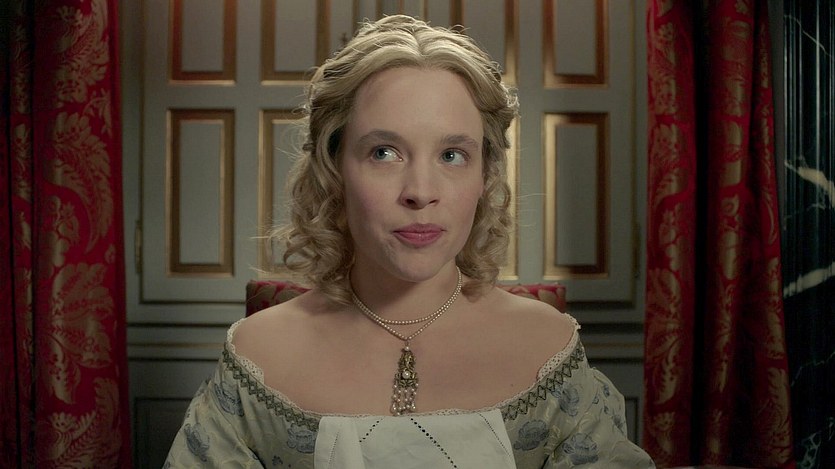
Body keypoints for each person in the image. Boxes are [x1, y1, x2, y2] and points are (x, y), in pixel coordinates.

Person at [165, 15, 655, 468]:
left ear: (485, 175)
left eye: (452, 155)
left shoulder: (550, 349)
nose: (420, 192)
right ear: (334, 170)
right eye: (384, 152)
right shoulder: (256, 356)